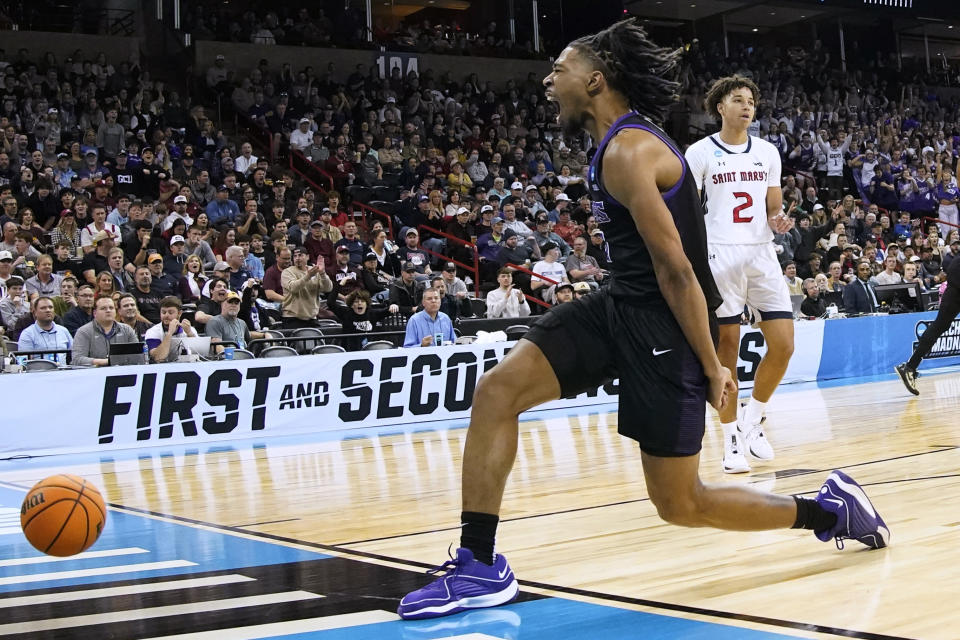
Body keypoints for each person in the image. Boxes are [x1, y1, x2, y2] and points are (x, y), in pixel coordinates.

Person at [397, 19, 887, 623]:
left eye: (560, 69)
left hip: (665, 326)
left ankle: (829, 512)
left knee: (682, 503)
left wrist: (712, 365)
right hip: (618, 304)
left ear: (597, 80)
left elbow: (677, 271)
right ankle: (478, 563)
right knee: (496, 393)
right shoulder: (613, 143)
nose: (549, 79)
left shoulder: (630, 150)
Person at [685, 74, 794, 474]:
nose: (747, 106)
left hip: (761, 253)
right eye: (738, 100)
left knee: (783, 345)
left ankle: (753, 420)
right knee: (726, 348)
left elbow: (773, 206)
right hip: (719, 254)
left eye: (751, 100)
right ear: (720, 108)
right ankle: (730, 437)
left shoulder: (767, 152)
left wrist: (778, 221)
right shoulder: (698, 152)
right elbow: (688, 211)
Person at [896, 256, 960, 395]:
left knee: (939, 327)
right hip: (955, 293)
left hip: (954, 291)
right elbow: (953, 270)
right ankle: (910, 367)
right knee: (938, 327)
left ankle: (910, 366)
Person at [71, 295, 139, 367]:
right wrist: (107, 361)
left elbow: (138, 355)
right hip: (94, 374)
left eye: (111, 308)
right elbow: (77, 359)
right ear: (94, 313)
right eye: (103, 308)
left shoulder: (127, 330)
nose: (108, 310)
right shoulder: (83, 332)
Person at [281, 250, 333, 329]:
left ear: (308, 257)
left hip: (312, 317)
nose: (297, 258)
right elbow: (293, 288)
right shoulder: (287, 272)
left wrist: (322, 273)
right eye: (295, 256)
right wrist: (308, 276)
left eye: (300, 255)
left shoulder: (315, 270)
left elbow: (328, 288)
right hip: (292, 317)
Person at [145, 296, 198, 363]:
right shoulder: (152, 332)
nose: (166, 315)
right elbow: (158, 358)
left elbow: (200, 355)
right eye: (163, 312)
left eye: (170, 312)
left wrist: (190, 334)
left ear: (179, 313)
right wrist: (169, 333)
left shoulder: (190, 329)